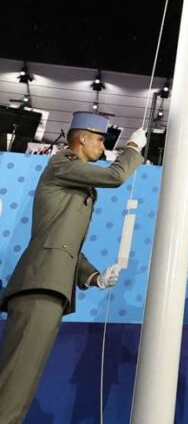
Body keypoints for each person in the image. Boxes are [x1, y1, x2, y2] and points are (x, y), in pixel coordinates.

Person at [0, 112, 146, 423]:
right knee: (15, 380)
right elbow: (115, 177)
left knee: (24, 380)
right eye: (100, 140)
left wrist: (93, 276)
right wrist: (133, 148)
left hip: (50, 288)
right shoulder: (62, 163)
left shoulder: (73, 180)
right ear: (82, 138)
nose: (104, 149)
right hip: (39, 286)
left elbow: (64, 244)